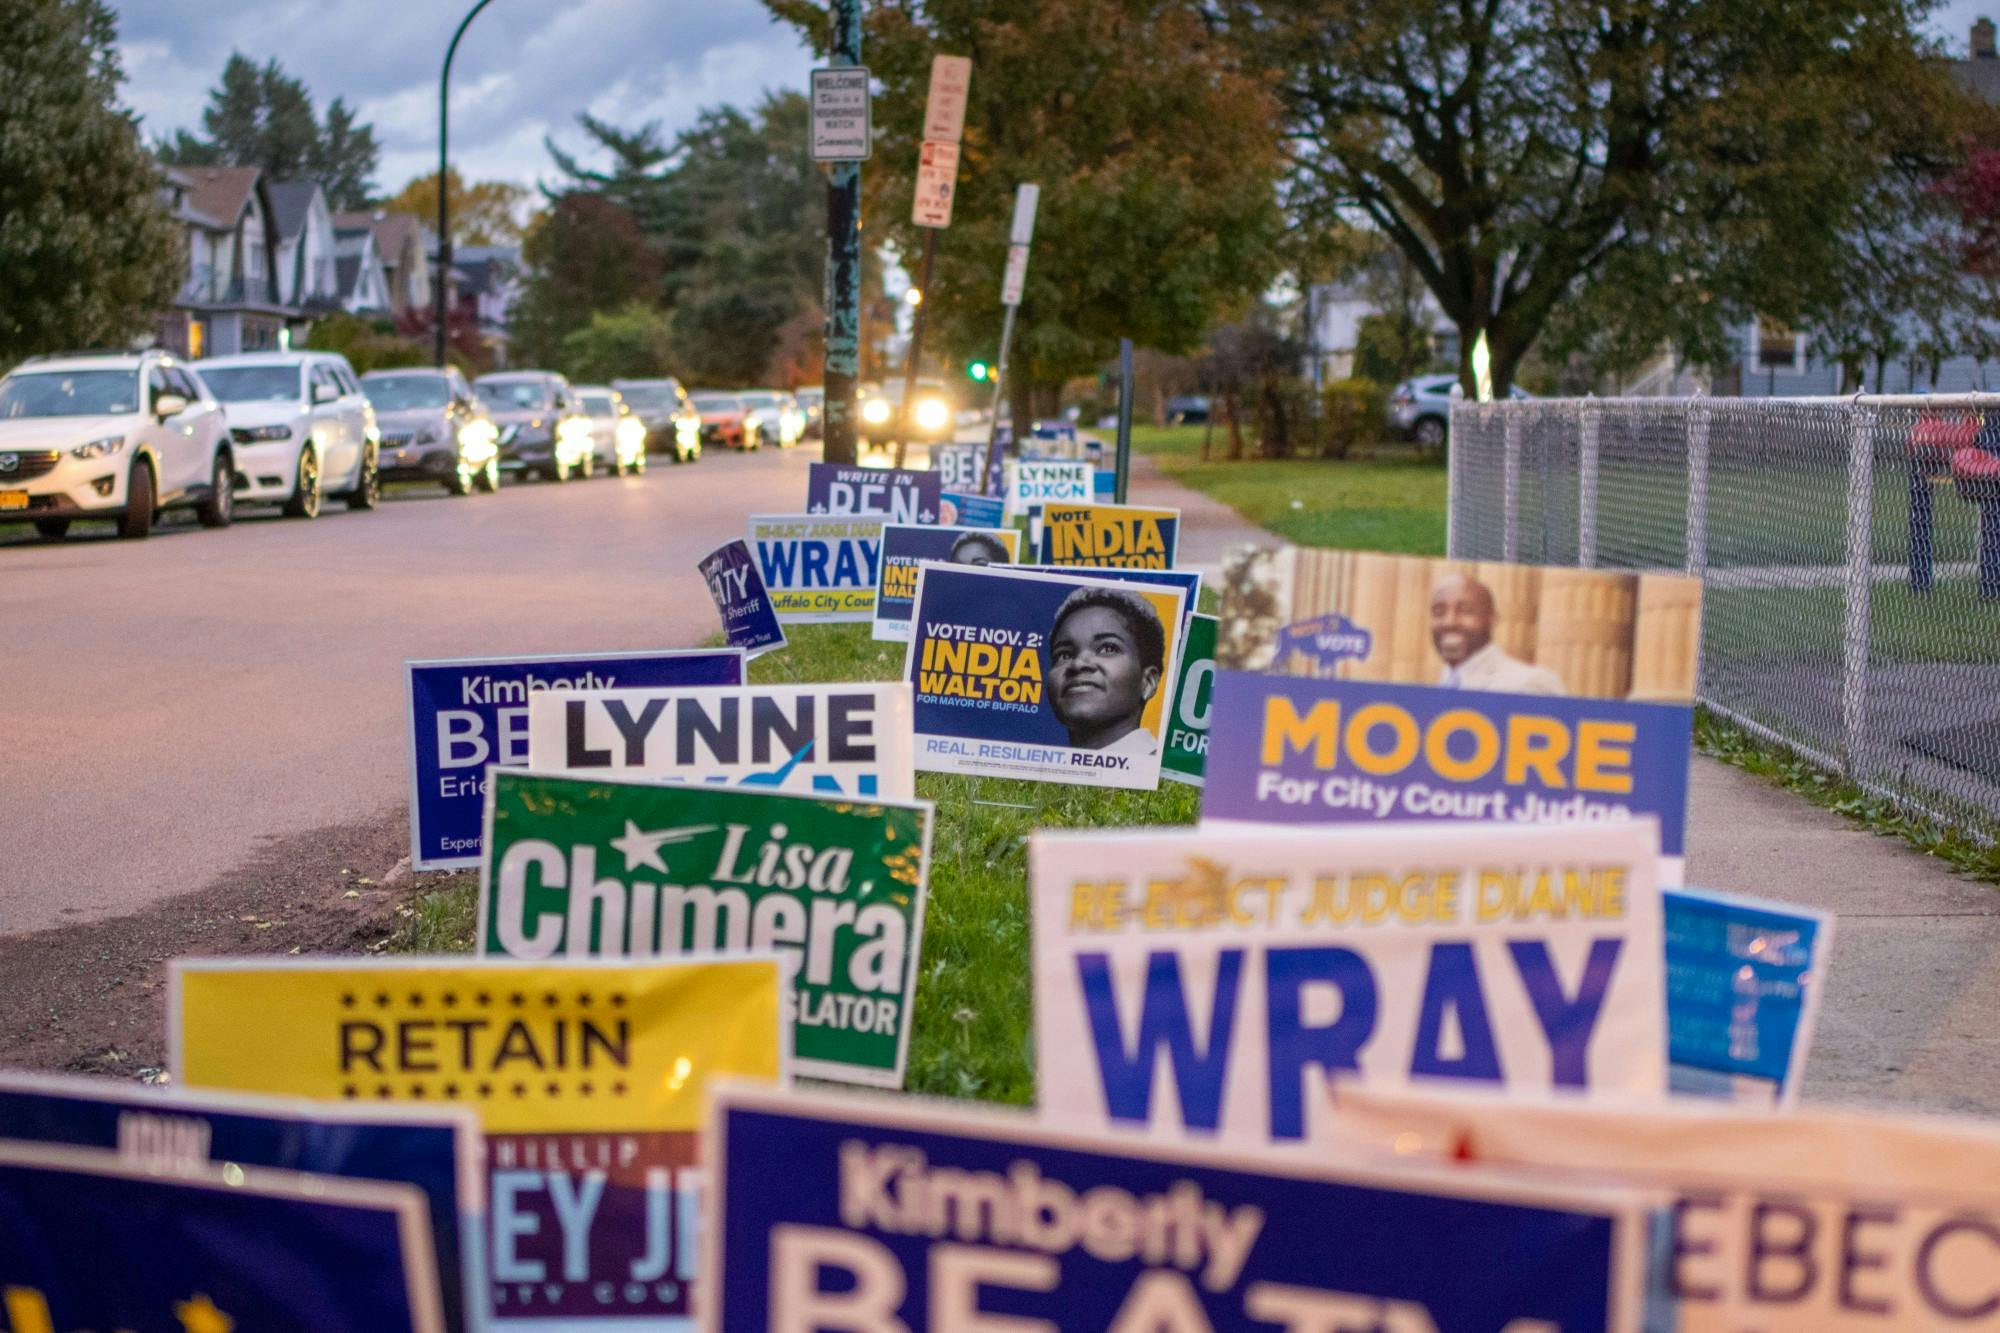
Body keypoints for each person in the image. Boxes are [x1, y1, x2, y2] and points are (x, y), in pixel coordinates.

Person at [1044, 587, 1165, 753]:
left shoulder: (1157, 767)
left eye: (1108, 648)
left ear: (1148, 682)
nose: (1078, 664)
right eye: (1064, 655)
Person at [1428, 574, 1566, 694]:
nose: (1449, 622)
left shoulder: (1531, 684)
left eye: (1465, 611)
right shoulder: (1436, 687)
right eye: (1438, 612)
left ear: (1492, 620)